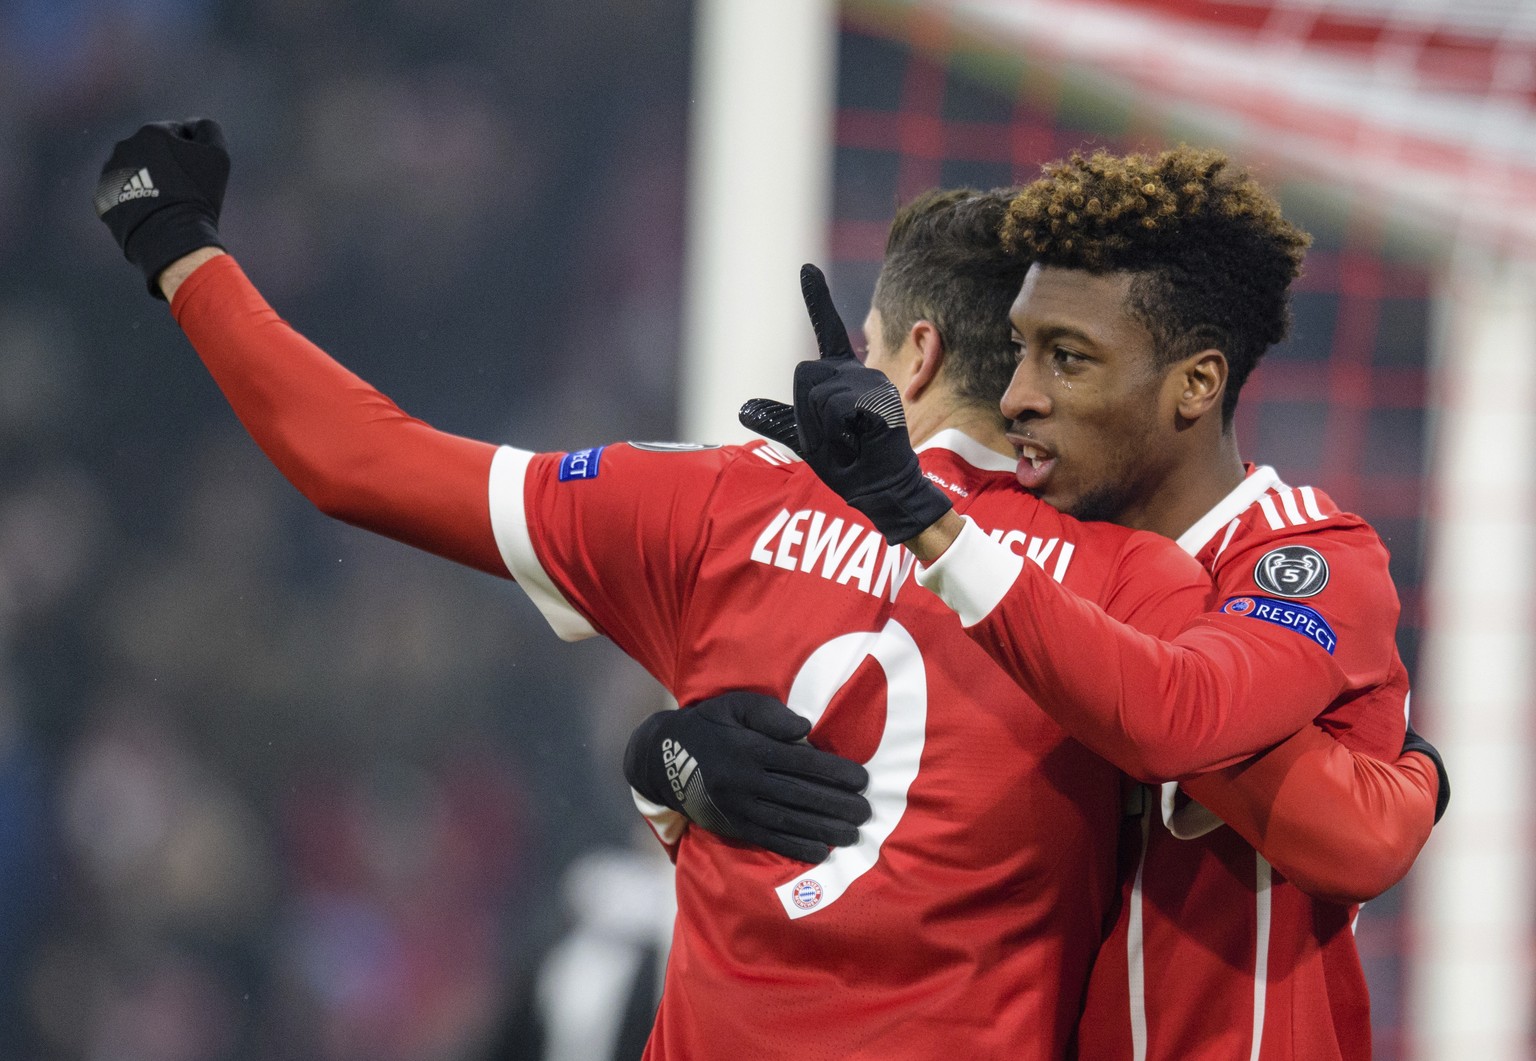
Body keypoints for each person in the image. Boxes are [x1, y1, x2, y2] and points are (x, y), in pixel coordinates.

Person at [93, 120, 1223, 1060]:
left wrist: (175, 243)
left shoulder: (718, 503)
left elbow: (353, 457)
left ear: (915, 356)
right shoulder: (1135, 581)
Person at [763, 146, 1447, 1059]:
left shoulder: (1301, 556)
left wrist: (929, 526)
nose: (1018, 397)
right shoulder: (1013, 549)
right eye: (1017, 350)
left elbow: (1183, 718)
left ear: (1196, 385)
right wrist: (679, 768)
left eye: (1068, 359)